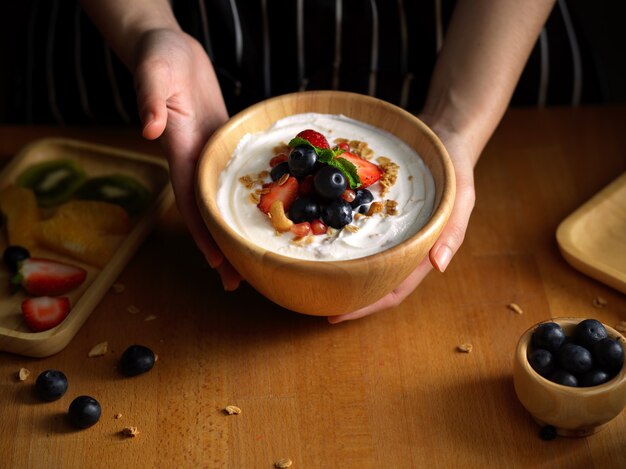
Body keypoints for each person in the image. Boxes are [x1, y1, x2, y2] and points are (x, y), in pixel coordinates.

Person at [72, 0, 556, 323]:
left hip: (476, 49)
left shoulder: (364, 180)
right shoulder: (284, 175)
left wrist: (457, 122)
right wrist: (145, 26)